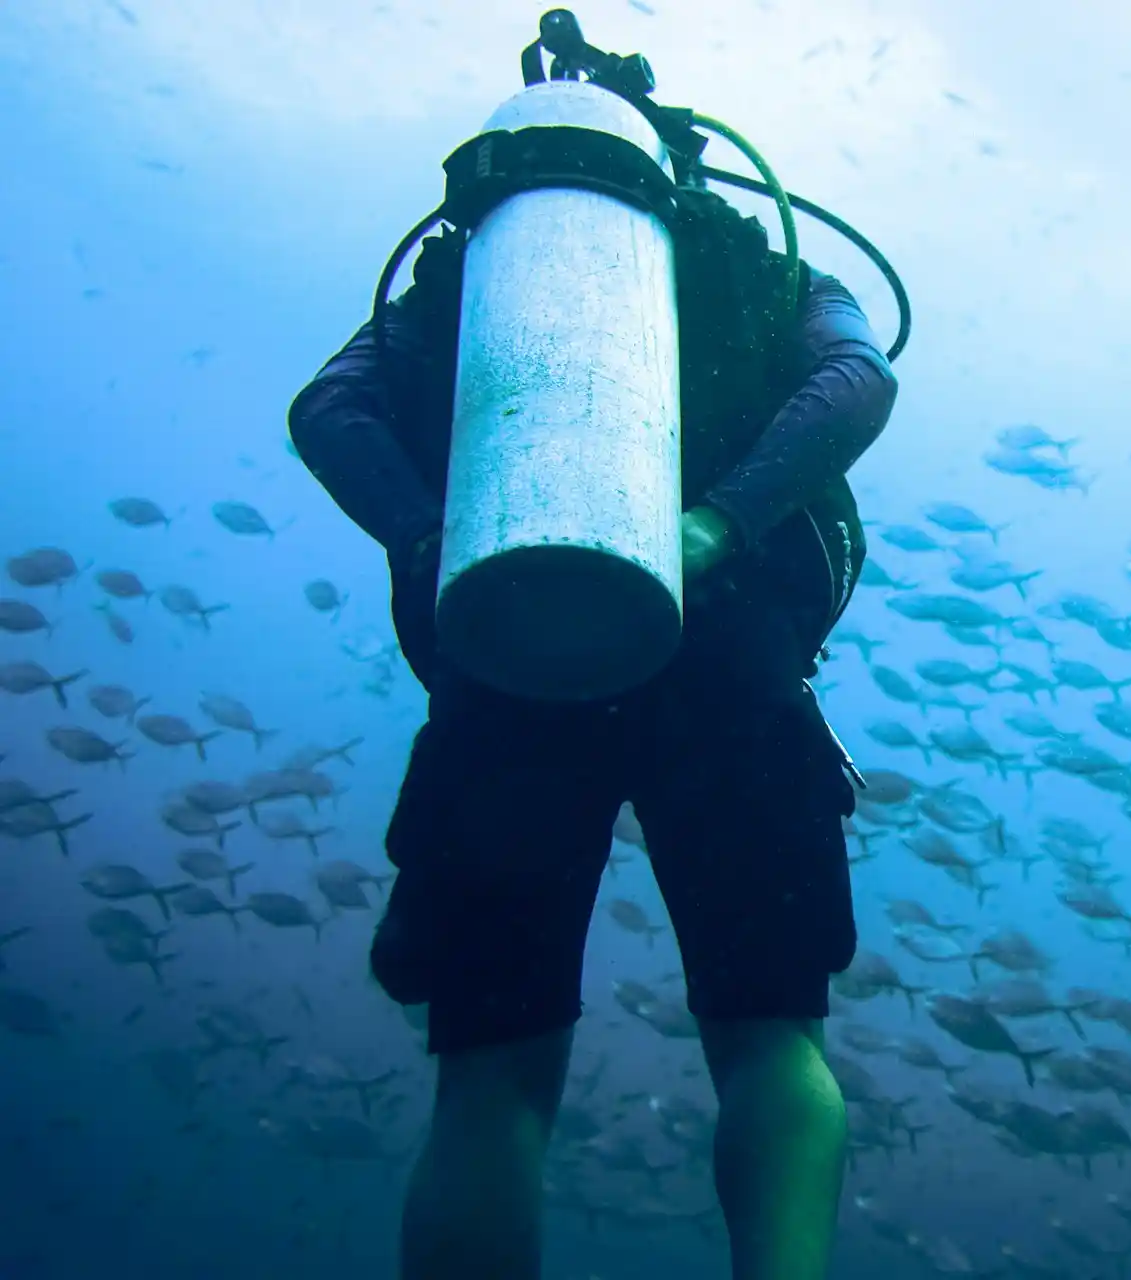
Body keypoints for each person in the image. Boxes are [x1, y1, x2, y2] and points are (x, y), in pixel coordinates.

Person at [287, 148, 899, 1277]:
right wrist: (718, 524)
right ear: (679, 170)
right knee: (771, 1039)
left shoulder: (470, 280)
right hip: (728, 656)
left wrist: (429, 536)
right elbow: (858, 381)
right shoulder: (763, 270)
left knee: (490, 1079)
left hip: (511, 655)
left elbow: (328, 407)